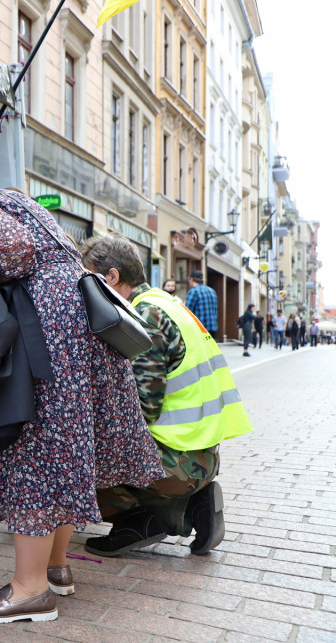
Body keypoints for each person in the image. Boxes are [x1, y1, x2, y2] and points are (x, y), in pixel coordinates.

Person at [0, 182, 163, 624]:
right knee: (59, 447)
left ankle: (29, 590)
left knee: (34, 448)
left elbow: (17, 249)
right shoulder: (6, 199)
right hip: (76, 317)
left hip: (48, 324)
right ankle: (54, 567)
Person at [79, 235, 251, 559]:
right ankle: (178, 508)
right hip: (198, 454)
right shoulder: (167, 302)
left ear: (112, 277)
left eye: (89, 280)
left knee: (76, 455)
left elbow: (141, 409)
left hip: (177, 464)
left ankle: (166, 515)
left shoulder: (146, 316)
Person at [185, 271, 218, 338]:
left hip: (200, 328)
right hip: (213, 328)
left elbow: (187, 312)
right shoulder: (212, 291)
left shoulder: (193, 291)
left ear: (191, 279)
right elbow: (215, 311)